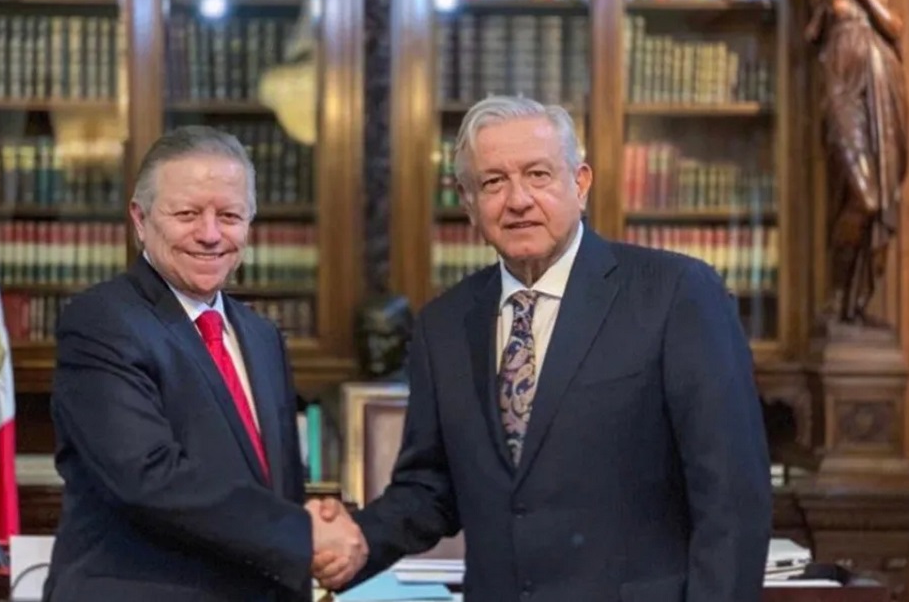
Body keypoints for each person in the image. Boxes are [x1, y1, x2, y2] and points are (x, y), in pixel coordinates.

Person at [313, 96, 772, 601]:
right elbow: (431, 488)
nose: (518, 200)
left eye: (538, 175)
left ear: (580, 183)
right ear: (467, 201)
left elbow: (732, 498)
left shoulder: (675, 293)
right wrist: (359, 539)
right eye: (493, 182)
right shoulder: (443, 326)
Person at [43, 126, 367, 602]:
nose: (211, 234)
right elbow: (148, 478)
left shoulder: (261, 337)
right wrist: (304, 533)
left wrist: (316, 539)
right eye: (187, 214)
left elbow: (275, 491)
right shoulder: (102, 321)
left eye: (230, 215)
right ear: (140, 219)